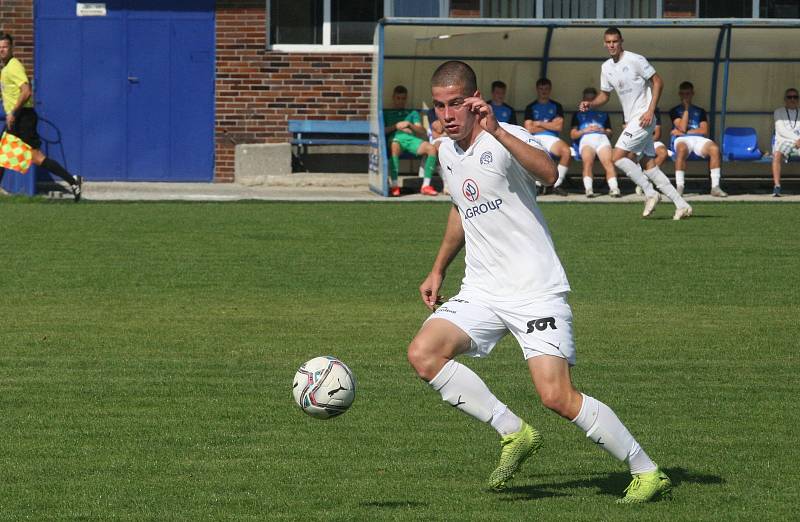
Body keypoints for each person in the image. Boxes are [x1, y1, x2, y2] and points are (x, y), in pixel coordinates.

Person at [408, 59, 672, 504]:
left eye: (455, 104)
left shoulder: (505, 134)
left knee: (557, 396)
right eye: (439, 106)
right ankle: (514, 432)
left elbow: (549, 173)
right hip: (482, 290)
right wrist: (438, 269)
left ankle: (647, 471)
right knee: (423, 353)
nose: (447, 115)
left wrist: (498, 132)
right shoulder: (447, 152)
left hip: (534, 289)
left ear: (475, 102)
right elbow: (460, 209)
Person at [580, 27, 692, 220]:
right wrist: (591, 104)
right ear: (604, 43)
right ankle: (682, 205)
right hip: (631, 119)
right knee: (649, 165)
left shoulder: (635, 59)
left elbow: (658, 82)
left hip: (643, 117)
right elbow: (605, 96)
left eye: (615, 41)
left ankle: (650, 192)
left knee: (617, 156)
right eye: (608, 42)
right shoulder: (606, 67)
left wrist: (650, 110)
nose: (612, 45)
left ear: (621, 41)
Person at [0, 33, 82, 201]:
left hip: (22, 118)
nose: (2, 50)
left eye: (5, 47)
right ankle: (73, 181)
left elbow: (26, 91)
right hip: (16, 118)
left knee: (36, 158)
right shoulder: (5, 68)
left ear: (12, 48)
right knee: (2, 154)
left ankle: (73, 181)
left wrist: (13, 112)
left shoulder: (13, 66)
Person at [669, 81, 727, 197]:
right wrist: (686, 109)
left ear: (692, 94)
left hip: (698, 139)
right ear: (680, 94)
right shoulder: (674, 111)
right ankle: (680, 186)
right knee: (681, 150)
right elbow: (682, 126)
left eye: (688, 94)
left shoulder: (700, 111)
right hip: (682, 140)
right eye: (683, 94)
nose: (686, 96)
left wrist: (685, 132)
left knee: (715, 149)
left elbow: (704, 130)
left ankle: (715, 187)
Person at [383, 85, 438, 197]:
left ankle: (426, 186)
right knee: (394, 146)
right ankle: (394, 186)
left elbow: (422, 130)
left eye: (403, 98)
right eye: (398, 98)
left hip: (411, 140)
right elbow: (382, 131)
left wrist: (409, 125)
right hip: (395, 139)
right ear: (393, 98)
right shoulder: (386, 112)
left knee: (432, 149)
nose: (400, 101)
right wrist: (396, 126)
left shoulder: (412, 113)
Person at [570, 87, 620, 198]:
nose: (589, 102)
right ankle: (589, 189)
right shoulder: (577, 114)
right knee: (588, 162)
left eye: (592, 99)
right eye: (587, 99)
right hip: (586, 139)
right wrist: (584, 130)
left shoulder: (603, 114)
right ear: (583, 99)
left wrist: (603, 131)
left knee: (608, 162)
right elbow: (573, 135)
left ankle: (614, 188)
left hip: (602, 139)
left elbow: (610, 133)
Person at [524, 78, 571, 195]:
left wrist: (539, 123)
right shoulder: (530, 107)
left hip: (551, 138)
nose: (544, 91)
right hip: (534, 137)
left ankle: (557, 184)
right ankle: (537, 185)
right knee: (530, 154)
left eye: (546, 89)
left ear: (550, 90)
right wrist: (551, 124)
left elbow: (558, 127)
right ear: (537, 90)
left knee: (567, 151)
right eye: (541, 89)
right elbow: (528, 128)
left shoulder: (557, 106)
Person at [772, 87, 800, 197]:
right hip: (785, 141)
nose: (792, 99)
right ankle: (777, 186)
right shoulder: (778, 112)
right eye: (790, 97)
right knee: (777, 154)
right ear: (785, 99)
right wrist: (797, 139)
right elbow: (781, 130)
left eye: (795, 97)